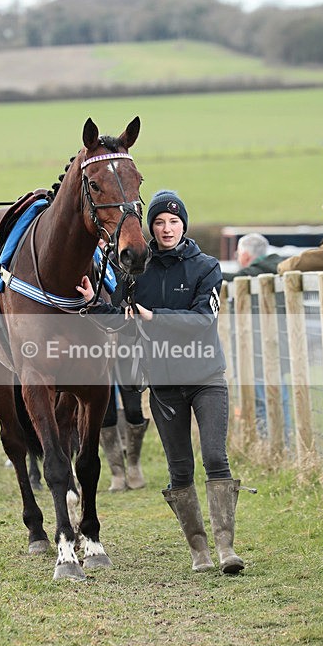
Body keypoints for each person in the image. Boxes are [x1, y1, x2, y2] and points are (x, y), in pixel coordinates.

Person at [77, 190, 249, 575]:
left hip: (206, 377)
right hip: (164, 383)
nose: (167, 228)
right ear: (150, 228)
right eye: (159, 222)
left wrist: (154, 318)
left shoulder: (206, 267)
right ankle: (199, 551)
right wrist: (94, 303)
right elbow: (122, 319)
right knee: (180, 468)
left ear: (183, 225)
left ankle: (226, 548)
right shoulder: (135, 271)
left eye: (173, 221)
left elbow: (203, 320)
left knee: (215, 456)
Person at [224, 234, 291, 442]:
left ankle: (266, 447)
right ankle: (285, 444)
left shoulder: (250, 276)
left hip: (256, 350)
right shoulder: (281, 270)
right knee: (281, 402)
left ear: (244, 255)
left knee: (260, 402)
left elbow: (232, 280)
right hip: (282, 349)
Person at [93, 242, 150, 492]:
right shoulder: (87, 260)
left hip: (128, 342)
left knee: (134, 409)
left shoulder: (127, 259)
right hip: (97, 347)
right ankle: (117, 471)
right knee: (105, 413)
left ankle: (134, 464)